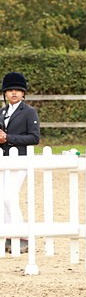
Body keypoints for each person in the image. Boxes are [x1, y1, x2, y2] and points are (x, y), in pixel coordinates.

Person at [0, 71, 40, 254]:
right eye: (10, 90)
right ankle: (10, 234)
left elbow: (34, 137)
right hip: (4, 159)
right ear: (5, 93)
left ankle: (23, 235)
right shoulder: (2, 112)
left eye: (17, 90)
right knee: (2, 199)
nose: (14, 93)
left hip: (21, 159)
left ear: (23, 93)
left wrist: (8, 137)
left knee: (9, 197)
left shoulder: (29, 111)